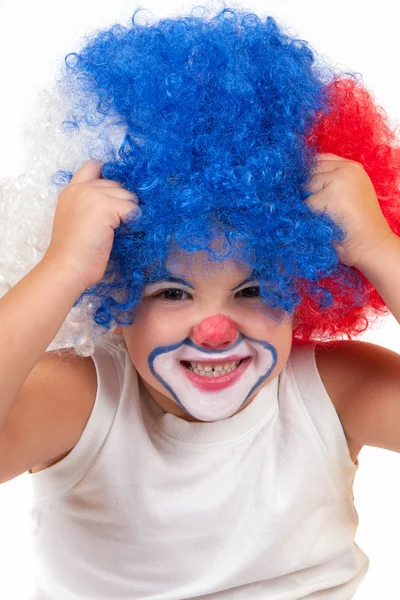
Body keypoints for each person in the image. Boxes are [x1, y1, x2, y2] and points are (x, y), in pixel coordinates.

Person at [1, 5, 400, 599]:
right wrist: (62, 268)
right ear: (113, 291)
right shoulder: (83, 403)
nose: (215, 329)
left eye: (255, 290)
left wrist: (376, 247)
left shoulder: (332, 392)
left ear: (305, 286)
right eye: (171, 291)